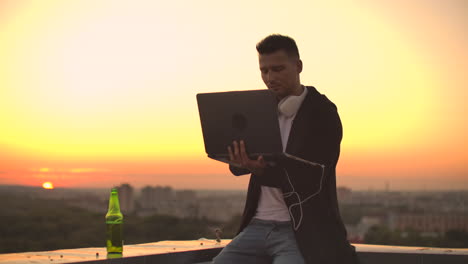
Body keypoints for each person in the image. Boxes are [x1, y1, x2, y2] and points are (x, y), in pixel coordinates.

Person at [212, 34, 359, 264]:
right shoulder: (259, 110)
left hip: (300, 231)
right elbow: (243, 167)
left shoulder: (322, 114)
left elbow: (313, 176)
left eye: (278, 69)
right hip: (256, 226)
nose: (270, 78)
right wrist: (237, 159)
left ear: (298, 66)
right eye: (264, 71)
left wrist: (260, 170)